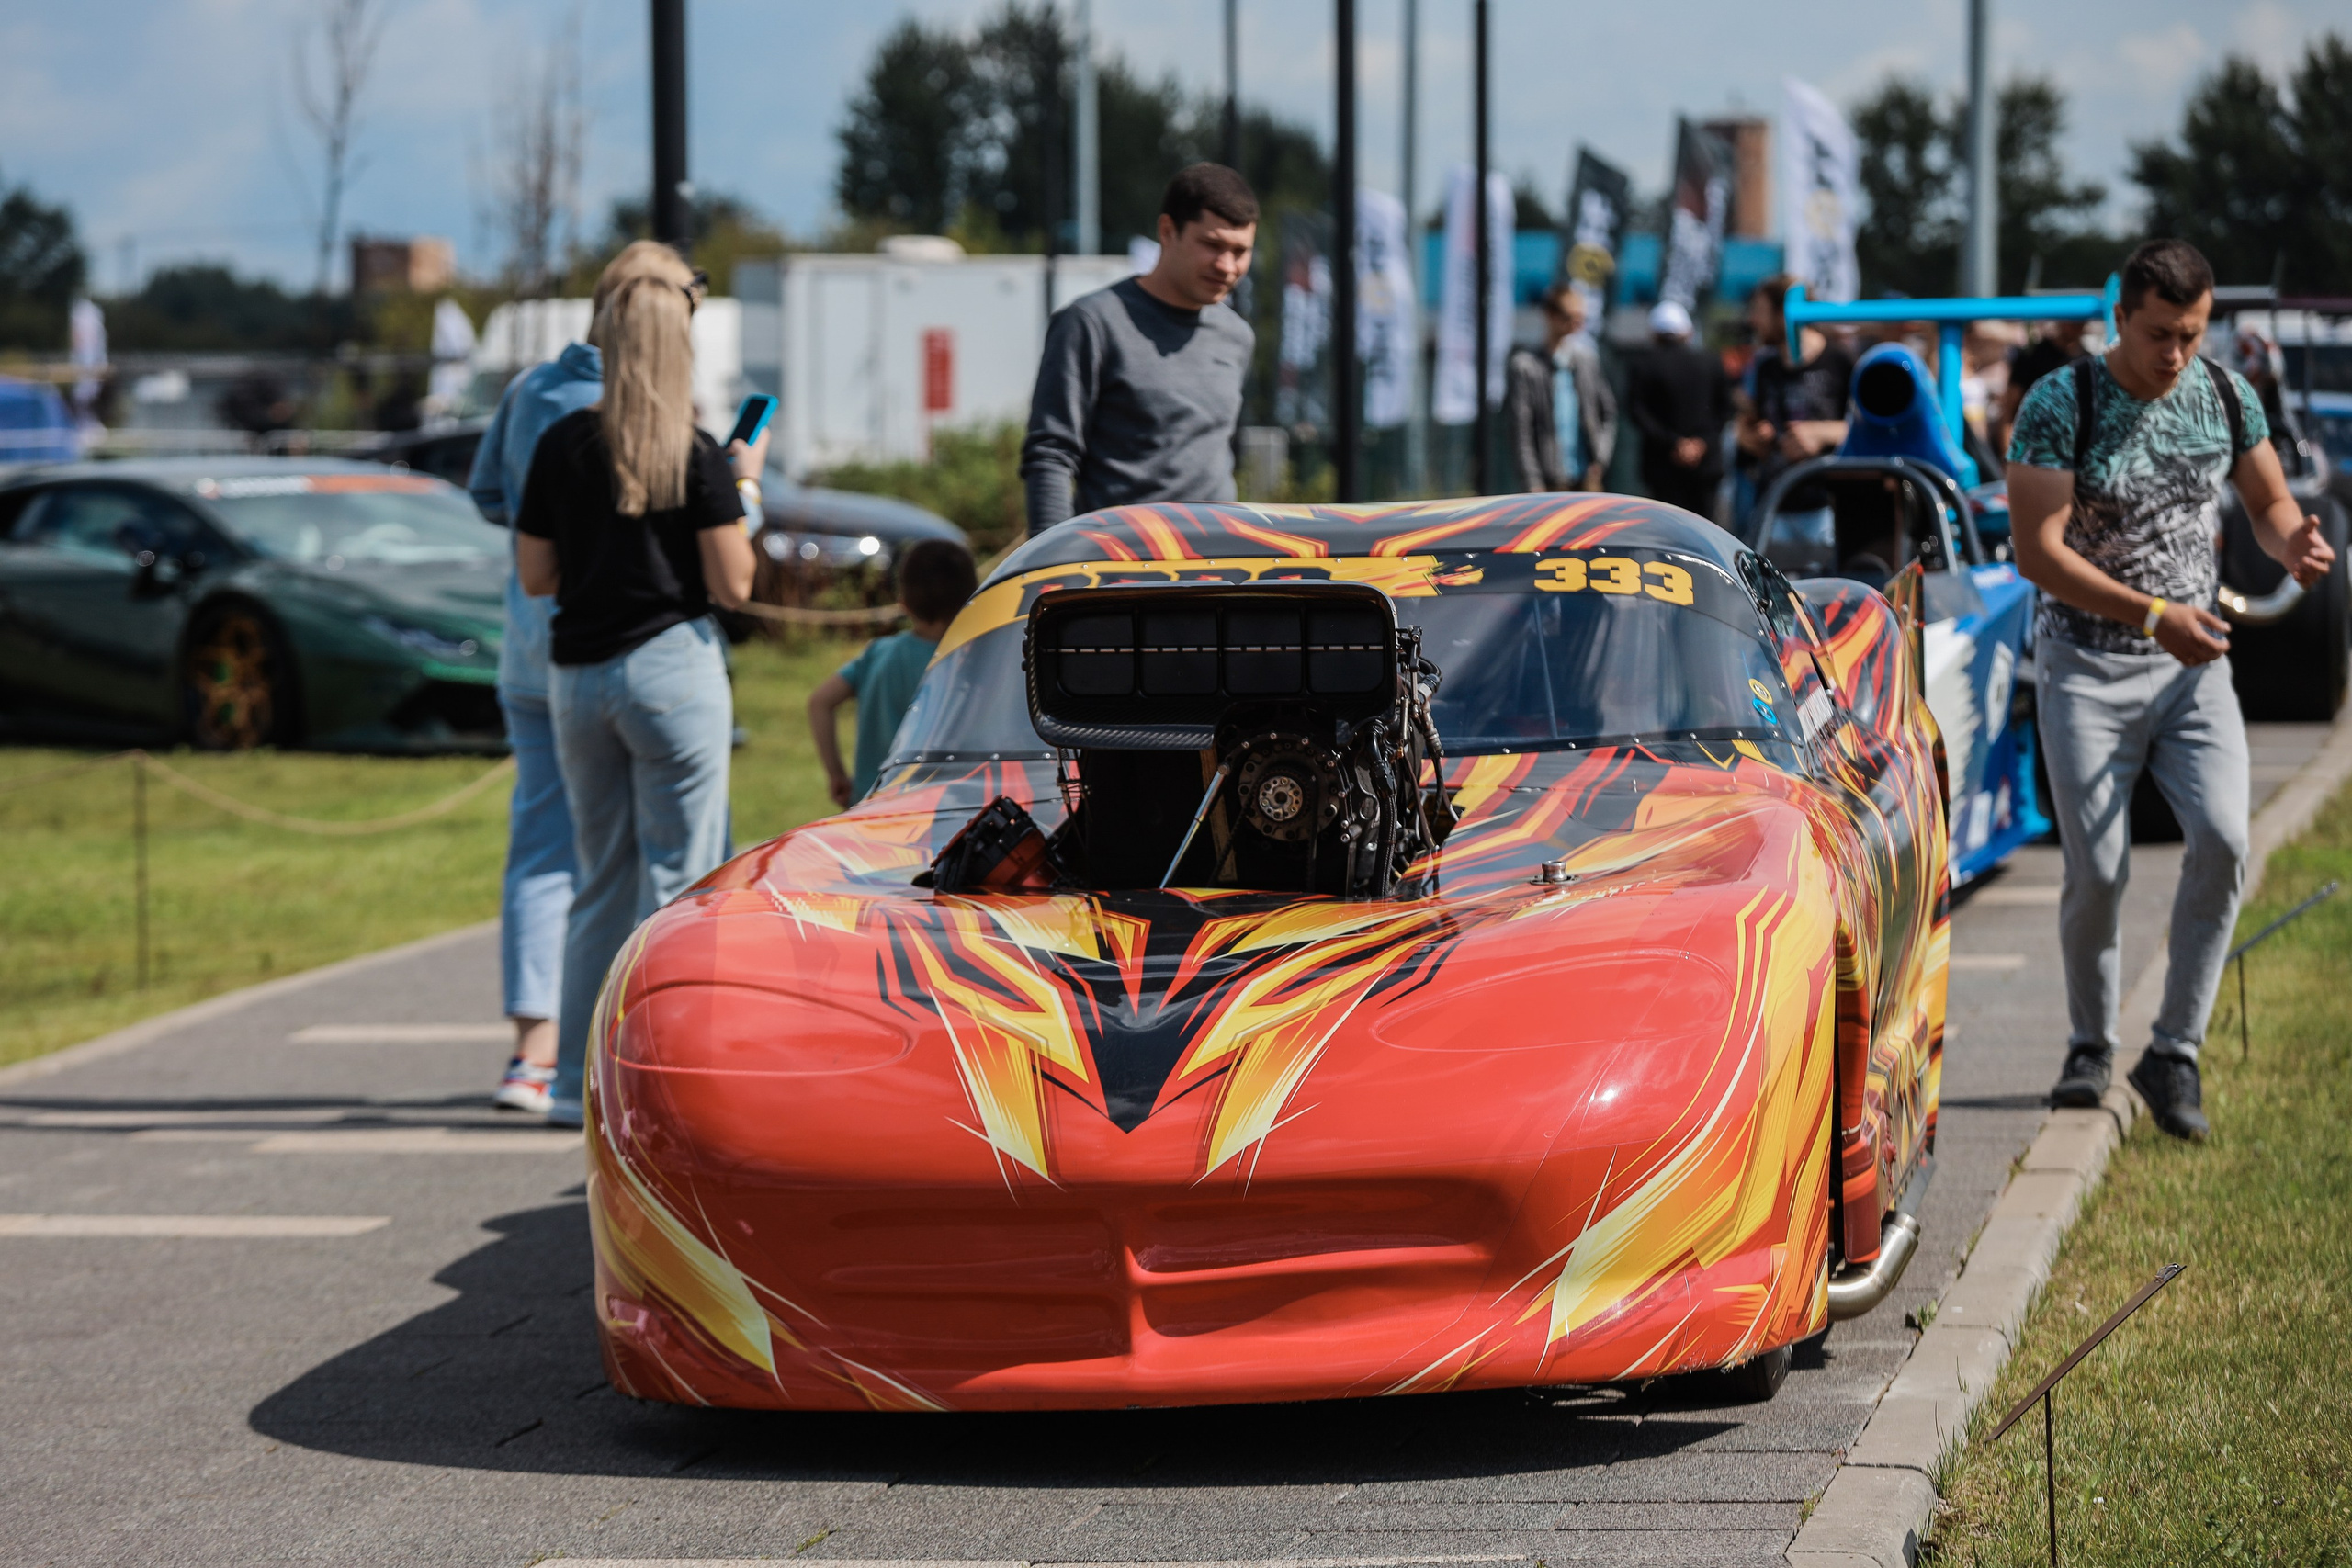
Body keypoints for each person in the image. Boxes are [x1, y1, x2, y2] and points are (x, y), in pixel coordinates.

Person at [2007, 238, 2335, 1140]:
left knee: (2226, 842)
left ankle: (2173, 1053)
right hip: (2084, 666)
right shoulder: (2058, 402)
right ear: (2120, 315)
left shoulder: (2224, 394)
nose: (2175, 354)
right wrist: (2153, 615)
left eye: (2191, 334)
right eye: (2158, 333)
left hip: (2194, 673)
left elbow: (2267, 504)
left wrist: (2291, 542)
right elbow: (2037, 552)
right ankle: (2087, 1043)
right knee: (2099, 872)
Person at [514, 245, 764, 1130]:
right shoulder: (695, 455)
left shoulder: (559, 445)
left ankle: (570, 1087)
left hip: (579, 674)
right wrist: (745, 486)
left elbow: (536, 575)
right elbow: (735, 584)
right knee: (682, 886)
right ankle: (668, 1085)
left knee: (599, 883)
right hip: (670, 668)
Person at [465, 242, 674, 1115]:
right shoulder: (637, 402)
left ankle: (531, 1050)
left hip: (526, 646)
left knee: (544, 843)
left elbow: (489, 497)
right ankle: (632, 1048)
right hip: (612, 647)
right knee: (642, 852)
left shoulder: (527, 391)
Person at [1022, 164, 1257, 535]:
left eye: (1240, 251)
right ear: (1168, 231)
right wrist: (1050, 572)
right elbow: (1050, 456)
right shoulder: (1091, 322)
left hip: (1218, 571)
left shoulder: (1238, 336)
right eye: (1212, 245)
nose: (1227, 266)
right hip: (1122, 572)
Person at [807, 538, 980, 807]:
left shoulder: (878, 653)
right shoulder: (971, 662)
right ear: (972, 601)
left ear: (903, 603)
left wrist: (837, 775)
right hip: (941, 807)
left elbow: (819, 702)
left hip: (872, 804)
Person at [1735, 275, 1852, 532]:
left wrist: (1822, 433)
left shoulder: (1840, 361)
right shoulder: (1766, 367)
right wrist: (1749, 435)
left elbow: (1868, 429)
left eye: (1759, 311)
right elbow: (1752, 422)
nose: (1752, 320)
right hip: (1773, 505)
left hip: (1827, 510)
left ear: (1783, 314)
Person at [1504, 282, 1618, 493]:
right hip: (1546, 481)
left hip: (1587, 478)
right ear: (1550, 315)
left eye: (1580, 318)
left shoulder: (1586, 360)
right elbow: (1520, 430)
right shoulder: (1526, 366)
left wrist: (1600, 460)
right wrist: (1532, 481)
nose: (1576, 324)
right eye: (1569, 316)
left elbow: (1608, 411)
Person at [1626, 299, 1732, 518]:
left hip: (1662, 469)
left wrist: (1674, 443)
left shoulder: (1643, 365)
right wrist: (1701, 443)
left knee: (1665, 535)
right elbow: (1726, 411)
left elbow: (1638, 414)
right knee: (1704, 536)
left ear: (1654, 334)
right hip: (1705, 467)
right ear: (1688, 332)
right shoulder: (1712, 362)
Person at [1997, 319, 2090, 455]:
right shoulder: (2032, 357)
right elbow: (2009, 410)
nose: (2074, 324)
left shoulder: (2089, 362)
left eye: (2079, 319)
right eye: (2070, 319)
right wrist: (2008, 454)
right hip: (2034, 449)